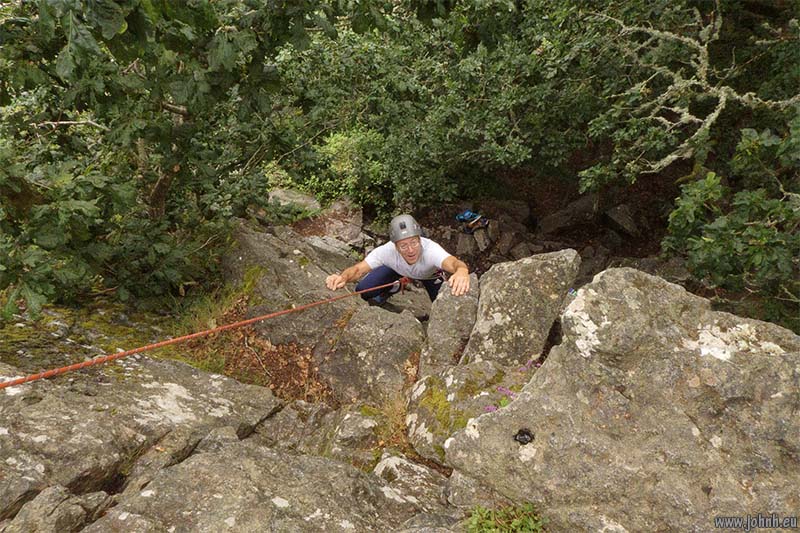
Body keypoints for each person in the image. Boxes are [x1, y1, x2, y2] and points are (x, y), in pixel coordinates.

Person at [325, 214, 470, 305]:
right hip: (396, 269)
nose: (411, 250)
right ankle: (392, 288)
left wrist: (462, 271)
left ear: (420, 239)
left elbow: (453, 263)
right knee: (363, 290)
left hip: (430, 274)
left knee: (441, 304)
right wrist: (342, 277)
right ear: (395, 246)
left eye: (414, 242)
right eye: (404, 245)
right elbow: (357, 270)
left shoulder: (431, 250)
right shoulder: (387, 251)